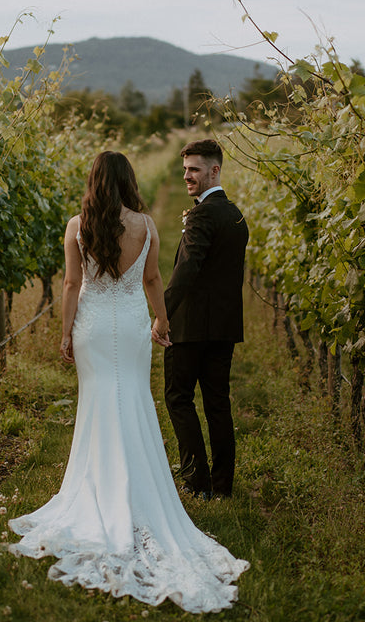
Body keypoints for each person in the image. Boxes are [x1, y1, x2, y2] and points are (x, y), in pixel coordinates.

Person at [8, 151, 249, 613]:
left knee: (99, 404)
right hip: (133, 324)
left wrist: (64, 332)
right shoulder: (147, 226)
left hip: (94, 328)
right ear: (129, 181)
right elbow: (155, 278)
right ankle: (141, 488)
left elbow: (72, 285)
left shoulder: (77, 226)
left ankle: (99, 488)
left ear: (95, 182)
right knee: (135, 401)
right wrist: (162, 321)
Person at [164, 139, 248, 499]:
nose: (187, 176)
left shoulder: (201, 214)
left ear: (215, 170)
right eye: (185, 169)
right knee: (218, 404)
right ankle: (222, 486)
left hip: (190, 328)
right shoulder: (236, 215)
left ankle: (196, 482)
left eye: (194, 169)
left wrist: (160, 314)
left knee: (178, 397)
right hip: (224, 327)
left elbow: (187, 270)